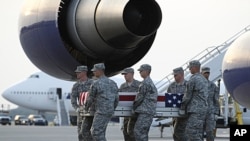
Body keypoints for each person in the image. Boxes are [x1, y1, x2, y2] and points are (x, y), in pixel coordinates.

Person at [84, 63, 119, 141]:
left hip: (101, 111)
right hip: (109, 111)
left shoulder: (96, 83)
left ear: (100, 71)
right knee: (101, 132)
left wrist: (85, 109)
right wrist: (112, 108)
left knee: (96, 132)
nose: (93, 72)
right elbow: (117, 99)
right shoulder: (113, 83)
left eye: (95, 71)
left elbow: (90, 98)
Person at [180, 60, 208, 141]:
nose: (189, 70)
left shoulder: (193, 79)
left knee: (191, 132)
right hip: (202, 110)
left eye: (190, 68)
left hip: (195, 110)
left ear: (195, 67)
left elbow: (187, 96)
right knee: (198, 133)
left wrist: (182, 105)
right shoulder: (204, 79)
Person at [133, 64, 158, 141]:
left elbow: (139, 98)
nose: (139, 72)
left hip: (145, 111)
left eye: (141, 71)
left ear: (147, 71)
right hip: (148, 111)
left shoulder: (145, 83)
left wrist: (133, 107)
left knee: (138, 132)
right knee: (143, 133)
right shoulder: (149, 82)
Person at [70, 65, 93, 141]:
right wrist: (77, 108)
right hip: (81, 113)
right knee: (80, 134)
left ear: (84, 72)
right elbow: (73, 100)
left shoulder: (93, 84)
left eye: (78, 72)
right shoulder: (76, 85)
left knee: (91, 133)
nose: (77, 74)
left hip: (91, 113)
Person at [119, 67, 141, 141]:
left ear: (132, 74)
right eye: (124, 74)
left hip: (136, 114)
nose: (125, 76)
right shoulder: (122, 86)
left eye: (126, 74)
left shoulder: (139, 85)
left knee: (133, 132)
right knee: (125, 132)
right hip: (126, 114)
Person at [167, 67, 188, 141]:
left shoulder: (188, 85)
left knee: (180, 133)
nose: (174, 77)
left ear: (181, 74)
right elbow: (168, 98)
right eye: (174, 75)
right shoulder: (171, 86)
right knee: (175, 135)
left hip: (184, 114)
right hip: (174, 115)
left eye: (176, 75)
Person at [201, 67, 220, 141]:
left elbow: (216, 100)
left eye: (208, 73)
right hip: (199, 112)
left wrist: (216, 113)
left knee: (210, 132)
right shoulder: (197, 85)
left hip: (210, 112)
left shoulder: (213, 86)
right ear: (201, 73)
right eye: (205, 73)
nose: (206, 75)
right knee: (199, 133)